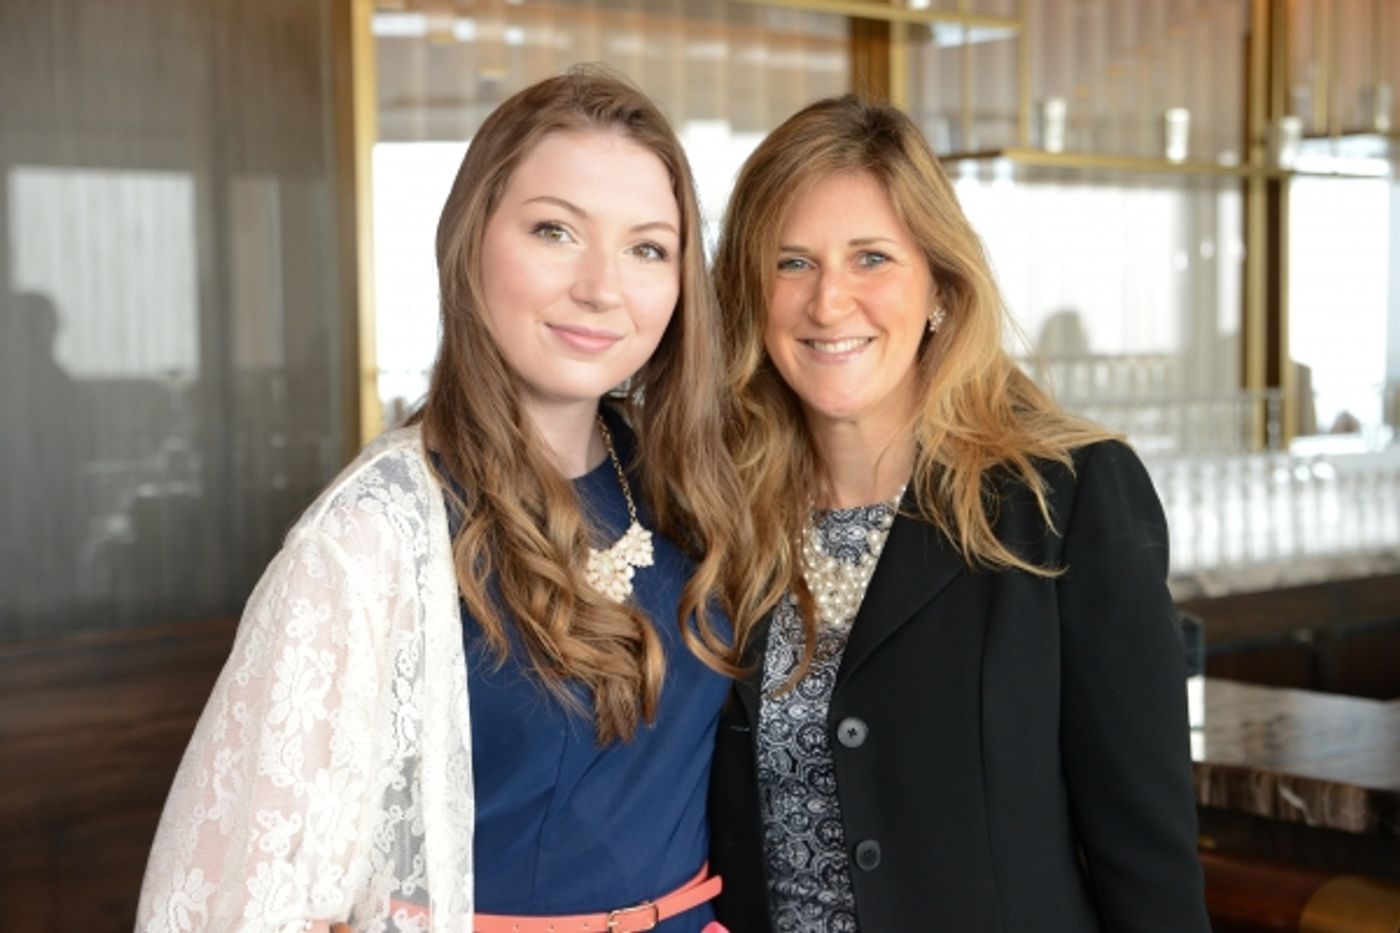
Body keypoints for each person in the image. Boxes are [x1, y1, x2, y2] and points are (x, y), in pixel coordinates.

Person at [137, 67, 745, 933]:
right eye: (555, 231)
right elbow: (246, 891)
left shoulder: (685, 482)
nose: (602, 286)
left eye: (648, 247)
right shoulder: (372, 535)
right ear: (470, 239)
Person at [707, 95, 1211, 932]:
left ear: (939, 284)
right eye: (792, 263)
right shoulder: (718, 510)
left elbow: (1146, 853)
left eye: (871, 258)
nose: (830, 303)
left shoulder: (1066, 496)